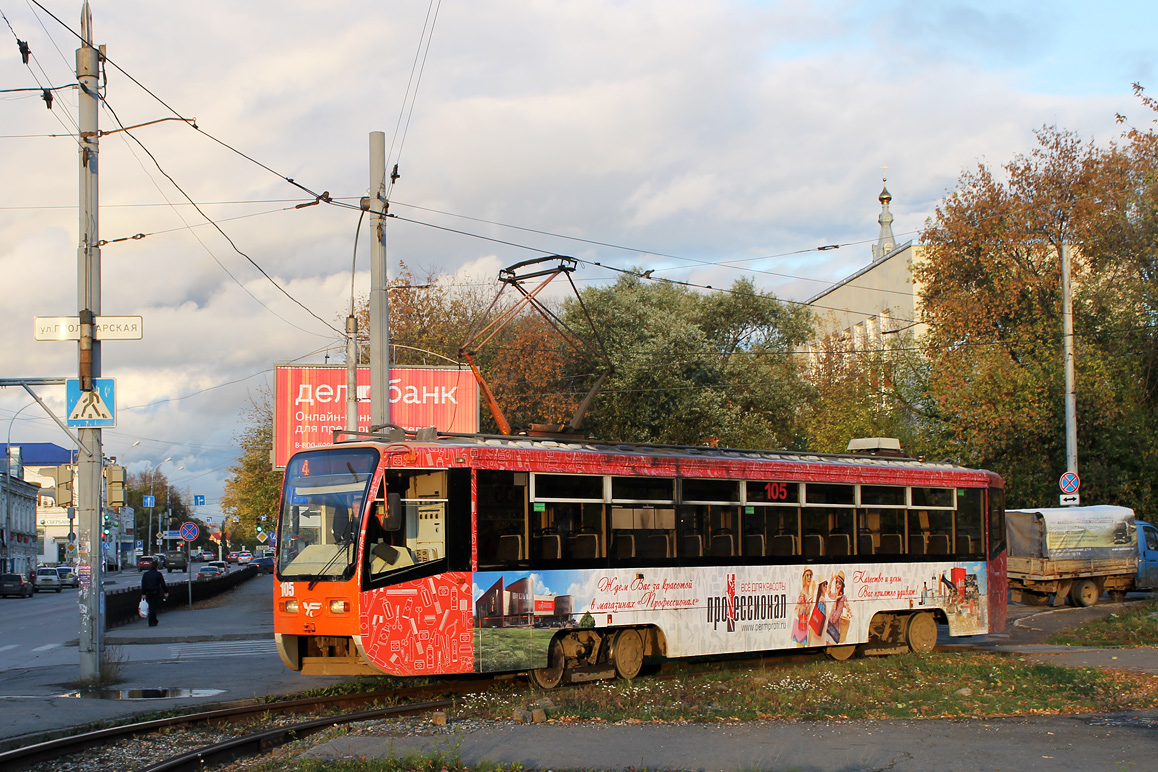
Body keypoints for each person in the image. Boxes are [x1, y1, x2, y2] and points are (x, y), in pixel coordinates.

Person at [140, 560, 169, 627]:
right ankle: (151, 621)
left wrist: (143, 593)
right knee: (153, 607)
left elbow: (143, 584)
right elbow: (162, 584)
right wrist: (166, 592)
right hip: (155, 592)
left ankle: (154, 620)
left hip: (148, 593)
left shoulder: (146, 574)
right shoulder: (158, 574)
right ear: (156, 566)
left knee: (150, 606)